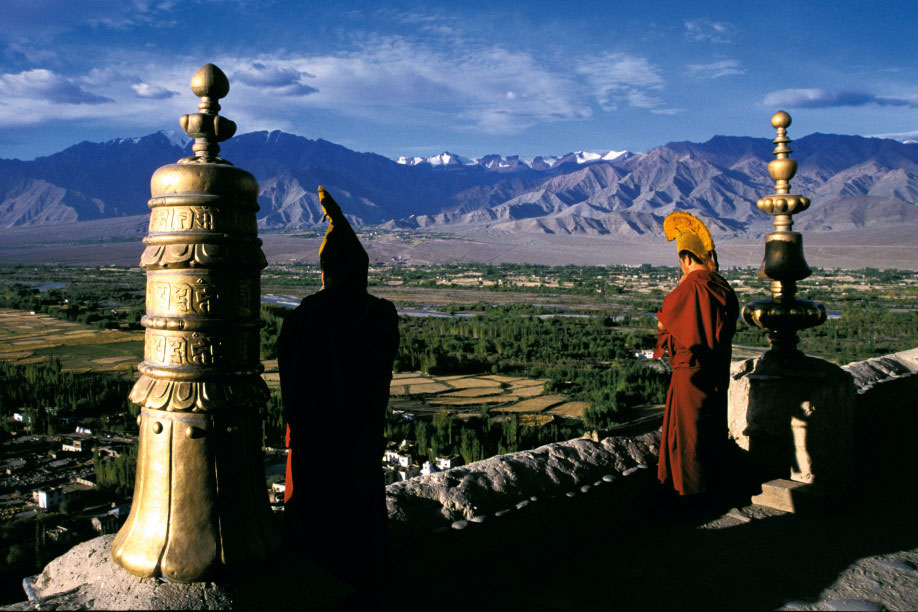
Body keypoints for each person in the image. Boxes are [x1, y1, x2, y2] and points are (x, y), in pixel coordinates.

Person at [278, 186, 399, 601]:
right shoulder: (381, 315)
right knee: (363, 534)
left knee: (316, 543)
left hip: (314, 448)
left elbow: (292, 387)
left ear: (326, 273)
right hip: (361, 444)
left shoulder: (305, 318)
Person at [654, 211, 738, 504]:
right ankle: (714, 489)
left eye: (681, 260)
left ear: (687, 257)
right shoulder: (721, 285)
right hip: (716, 367)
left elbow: (664, 321)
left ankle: (689, 494)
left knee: (687, 433)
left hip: (690, 372)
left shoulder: (691, 286)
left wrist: (680, 287)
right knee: (711, 427)